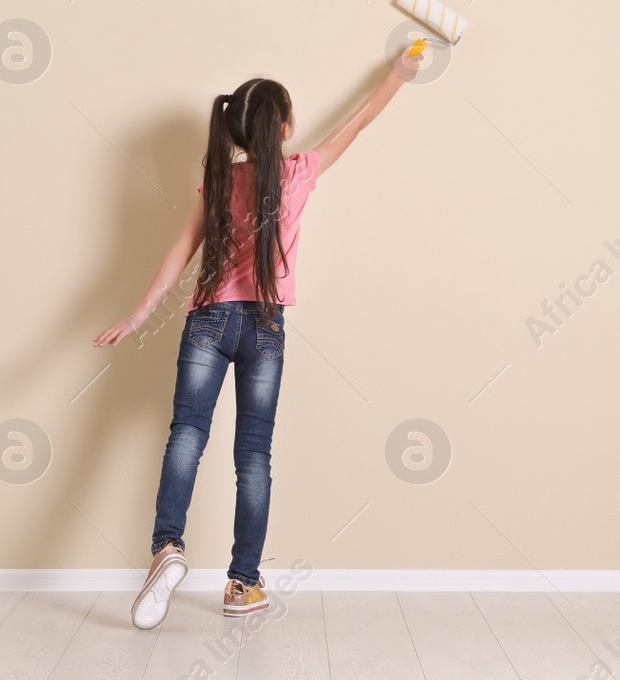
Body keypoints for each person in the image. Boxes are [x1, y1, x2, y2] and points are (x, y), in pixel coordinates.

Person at [93, 44, 425, 629]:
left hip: (208, 321)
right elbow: (360, 120)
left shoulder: (220, 179)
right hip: (266, 325)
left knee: (186, 434)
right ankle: (242, 583)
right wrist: (400, 72)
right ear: (286, 125)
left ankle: (167, 548)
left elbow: (179, 254)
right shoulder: (300, 174)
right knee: (253, 455)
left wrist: (137, 316)